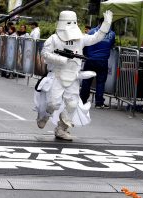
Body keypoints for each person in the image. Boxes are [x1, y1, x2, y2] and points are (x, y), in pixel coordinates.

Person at [35, 10, 113, 141]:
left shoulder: (80, 39)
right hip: (57, 76)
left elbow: (96, 38)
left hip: (73, 77)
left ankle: (61, 129)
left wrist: (106, 24)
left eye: (73, 22)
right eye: (68, 22)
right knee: (53, 104)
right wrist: (60, 59)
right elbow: (45, 54)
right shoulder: (53, 39)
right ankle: (44, 115)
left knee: (72, 105)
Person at [80, 18, 115, 109]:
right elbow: (111, 45)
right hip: (103, 61)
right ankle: (99, 102)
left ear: (99, 23)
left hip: (90, 59)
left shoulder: (91, 32)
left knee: (87, 80)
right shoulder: (112, 34)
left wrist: (86, 54)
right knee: (100, 82)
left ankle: (82, 100)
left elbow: (85, 45)